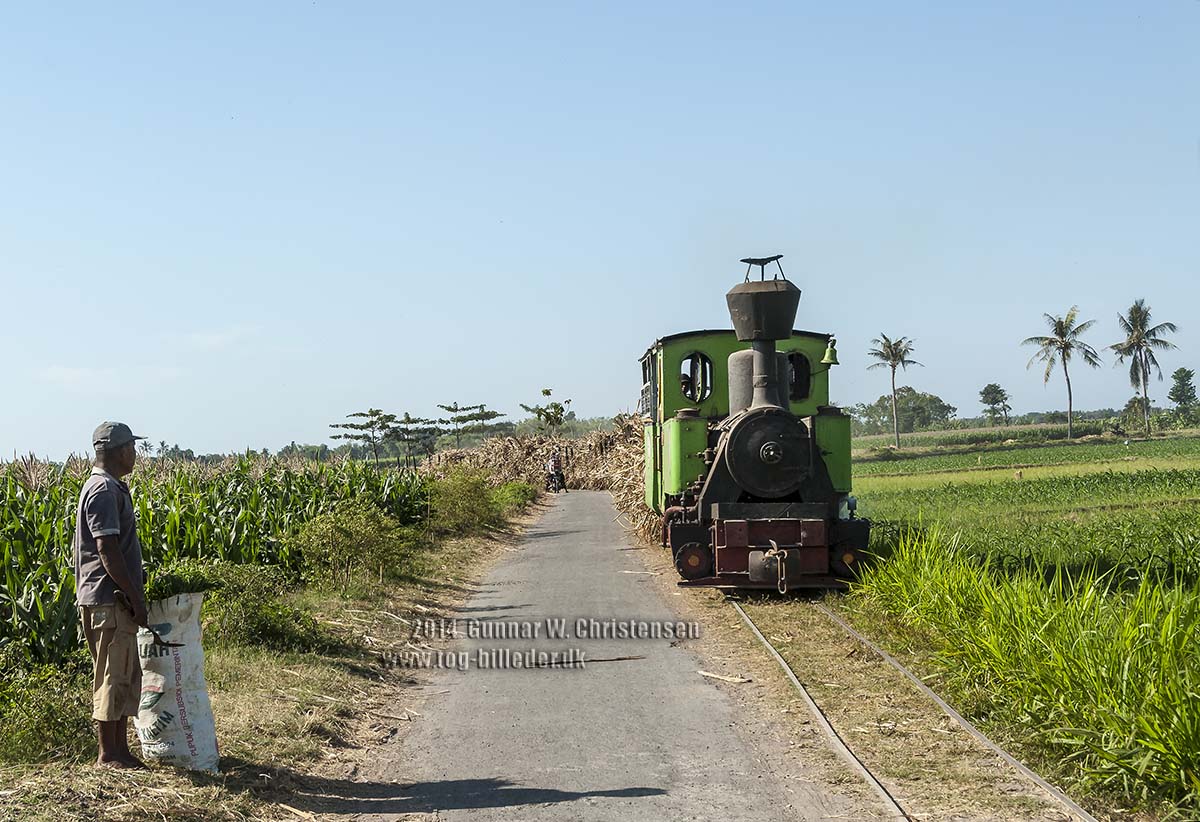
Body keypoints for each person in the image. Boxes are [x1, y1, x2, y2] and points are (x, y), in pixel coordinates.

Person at [74, 421, 149, 769]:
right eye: (132, 447)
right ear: (120, 451)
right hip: (110, 599)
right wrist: (134, 596)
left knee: (122, 675)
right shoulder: (103, 490)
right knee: (110, 675)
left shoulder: (111, 487)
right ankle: (108, 754)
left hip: (113, 599)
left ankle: (121, 750)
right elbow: (107, 549)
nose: (135, 454)